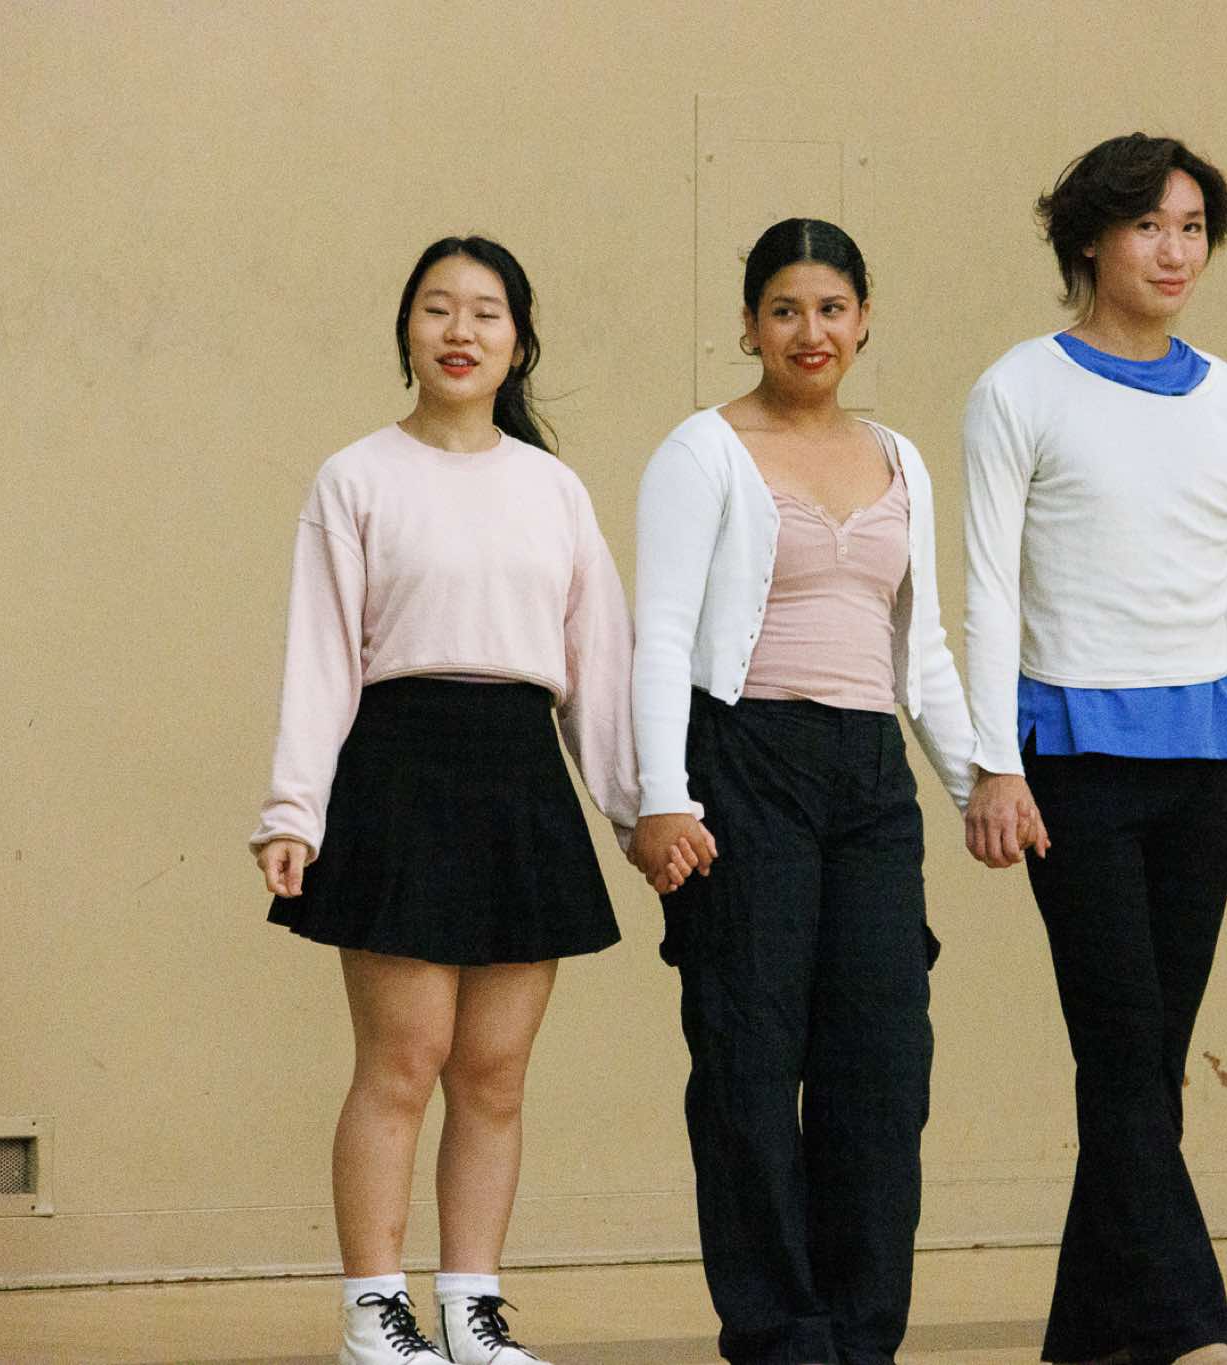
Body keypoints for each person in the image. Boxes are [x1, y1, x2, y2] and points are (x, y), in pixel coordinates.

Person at [250, 235, 706, 1365]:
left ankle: (470, 1310)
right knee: (402, 1063)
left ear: (518, 340)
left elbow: (598, 666)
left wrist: (638, 810)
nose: (460, 331)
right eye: (437, 308)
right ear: (407, 329)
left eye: (486, 312)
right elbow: (319, 658)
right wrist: (294, 810)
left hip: (517, 780)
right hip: (398, 775)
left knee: (494, 1074)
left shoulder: (553, 489)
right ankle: (374, 1314)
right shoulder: (355, 477)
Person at [961, 134, 1227, 1365]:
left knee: (1146, 1065)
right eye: (1149, 225)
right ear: (1089, 239)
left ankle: (1088, 1342)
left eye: (1192, 227)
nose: (1174, 251)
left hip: (1202, 761)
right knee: (1117, 1048)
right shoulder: (1019, 390)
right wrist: (992, 764)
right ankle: (1196, 1334)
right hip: (1072, 761)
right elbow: (987, 592)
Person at [630, 218, 978, 1365]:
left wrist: (982, 784)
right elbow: (659, 633)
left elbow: (921, 651)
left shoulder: (900, 458)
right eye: (784, 310)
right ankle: (780, 1336)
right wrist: (663, 798)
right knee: (746, 1059)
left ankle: (860, 1335)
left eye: (830, 308)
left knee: (881, 1067)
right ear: (748, 326)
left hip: (870, 782)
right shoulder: (703, 451)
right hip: (743, 765)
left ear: (863, 321)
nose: (808, 331)